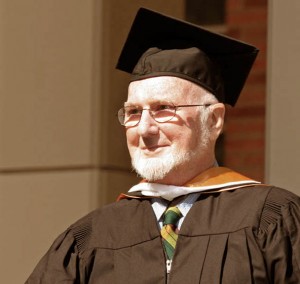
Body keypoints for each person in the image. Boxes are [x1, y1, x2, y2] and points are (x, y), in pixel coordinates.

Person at [26, 8, 300, 283]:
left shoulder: (271, 218)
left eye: (163, 108)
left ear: (215, 120)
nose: (144, 129)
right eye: (133, 112)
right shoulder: (91, 238)